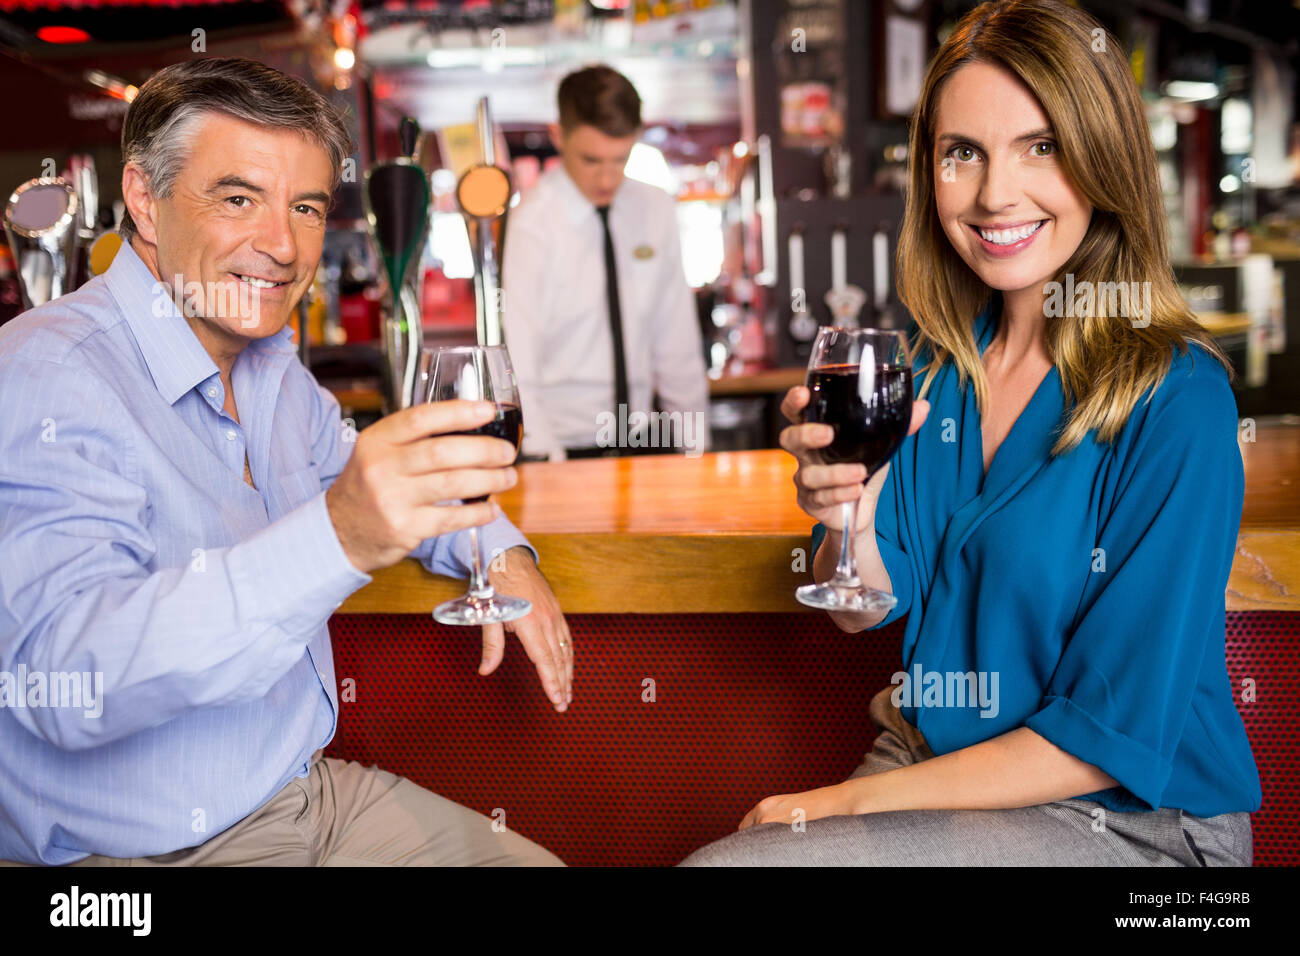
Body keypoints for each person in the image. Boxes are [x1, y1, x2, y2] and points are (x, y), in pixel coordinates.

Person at [681, 0, 1259, 867]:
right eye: (963, 154)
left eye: (1041, 146)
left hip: (1133, 822)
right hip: (931, 767)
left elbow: (1108, 736)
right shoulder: (937, 371)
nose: (995, 193)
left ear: (1103, 157)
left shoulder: (1179, 398)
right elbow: (865, 607)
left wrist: (838, 803)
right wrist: (848, 515)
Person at [0, 58, 570, 867]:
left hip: (302, 795)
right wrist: (338, 537)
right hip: (142, 857)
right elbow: (70, 677)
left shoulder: (270, 367)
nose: (281, 245)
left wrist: (498, 549)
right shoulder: (47, 372)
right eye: (238, 198)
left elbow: (387, 483)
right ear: (144, 201)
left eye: (304, 207)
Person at [502, 64, 710, 460]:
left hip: (646, 438)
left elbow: (677, 343)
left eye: (620, 159)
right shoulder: (532, 222)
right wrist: (544, 457)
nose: (607, 178)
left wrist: (696, 450)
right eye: (591, 160)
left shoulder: (655, 209)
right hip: (568, 445)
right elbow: (520, 357)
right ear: (557, 135)